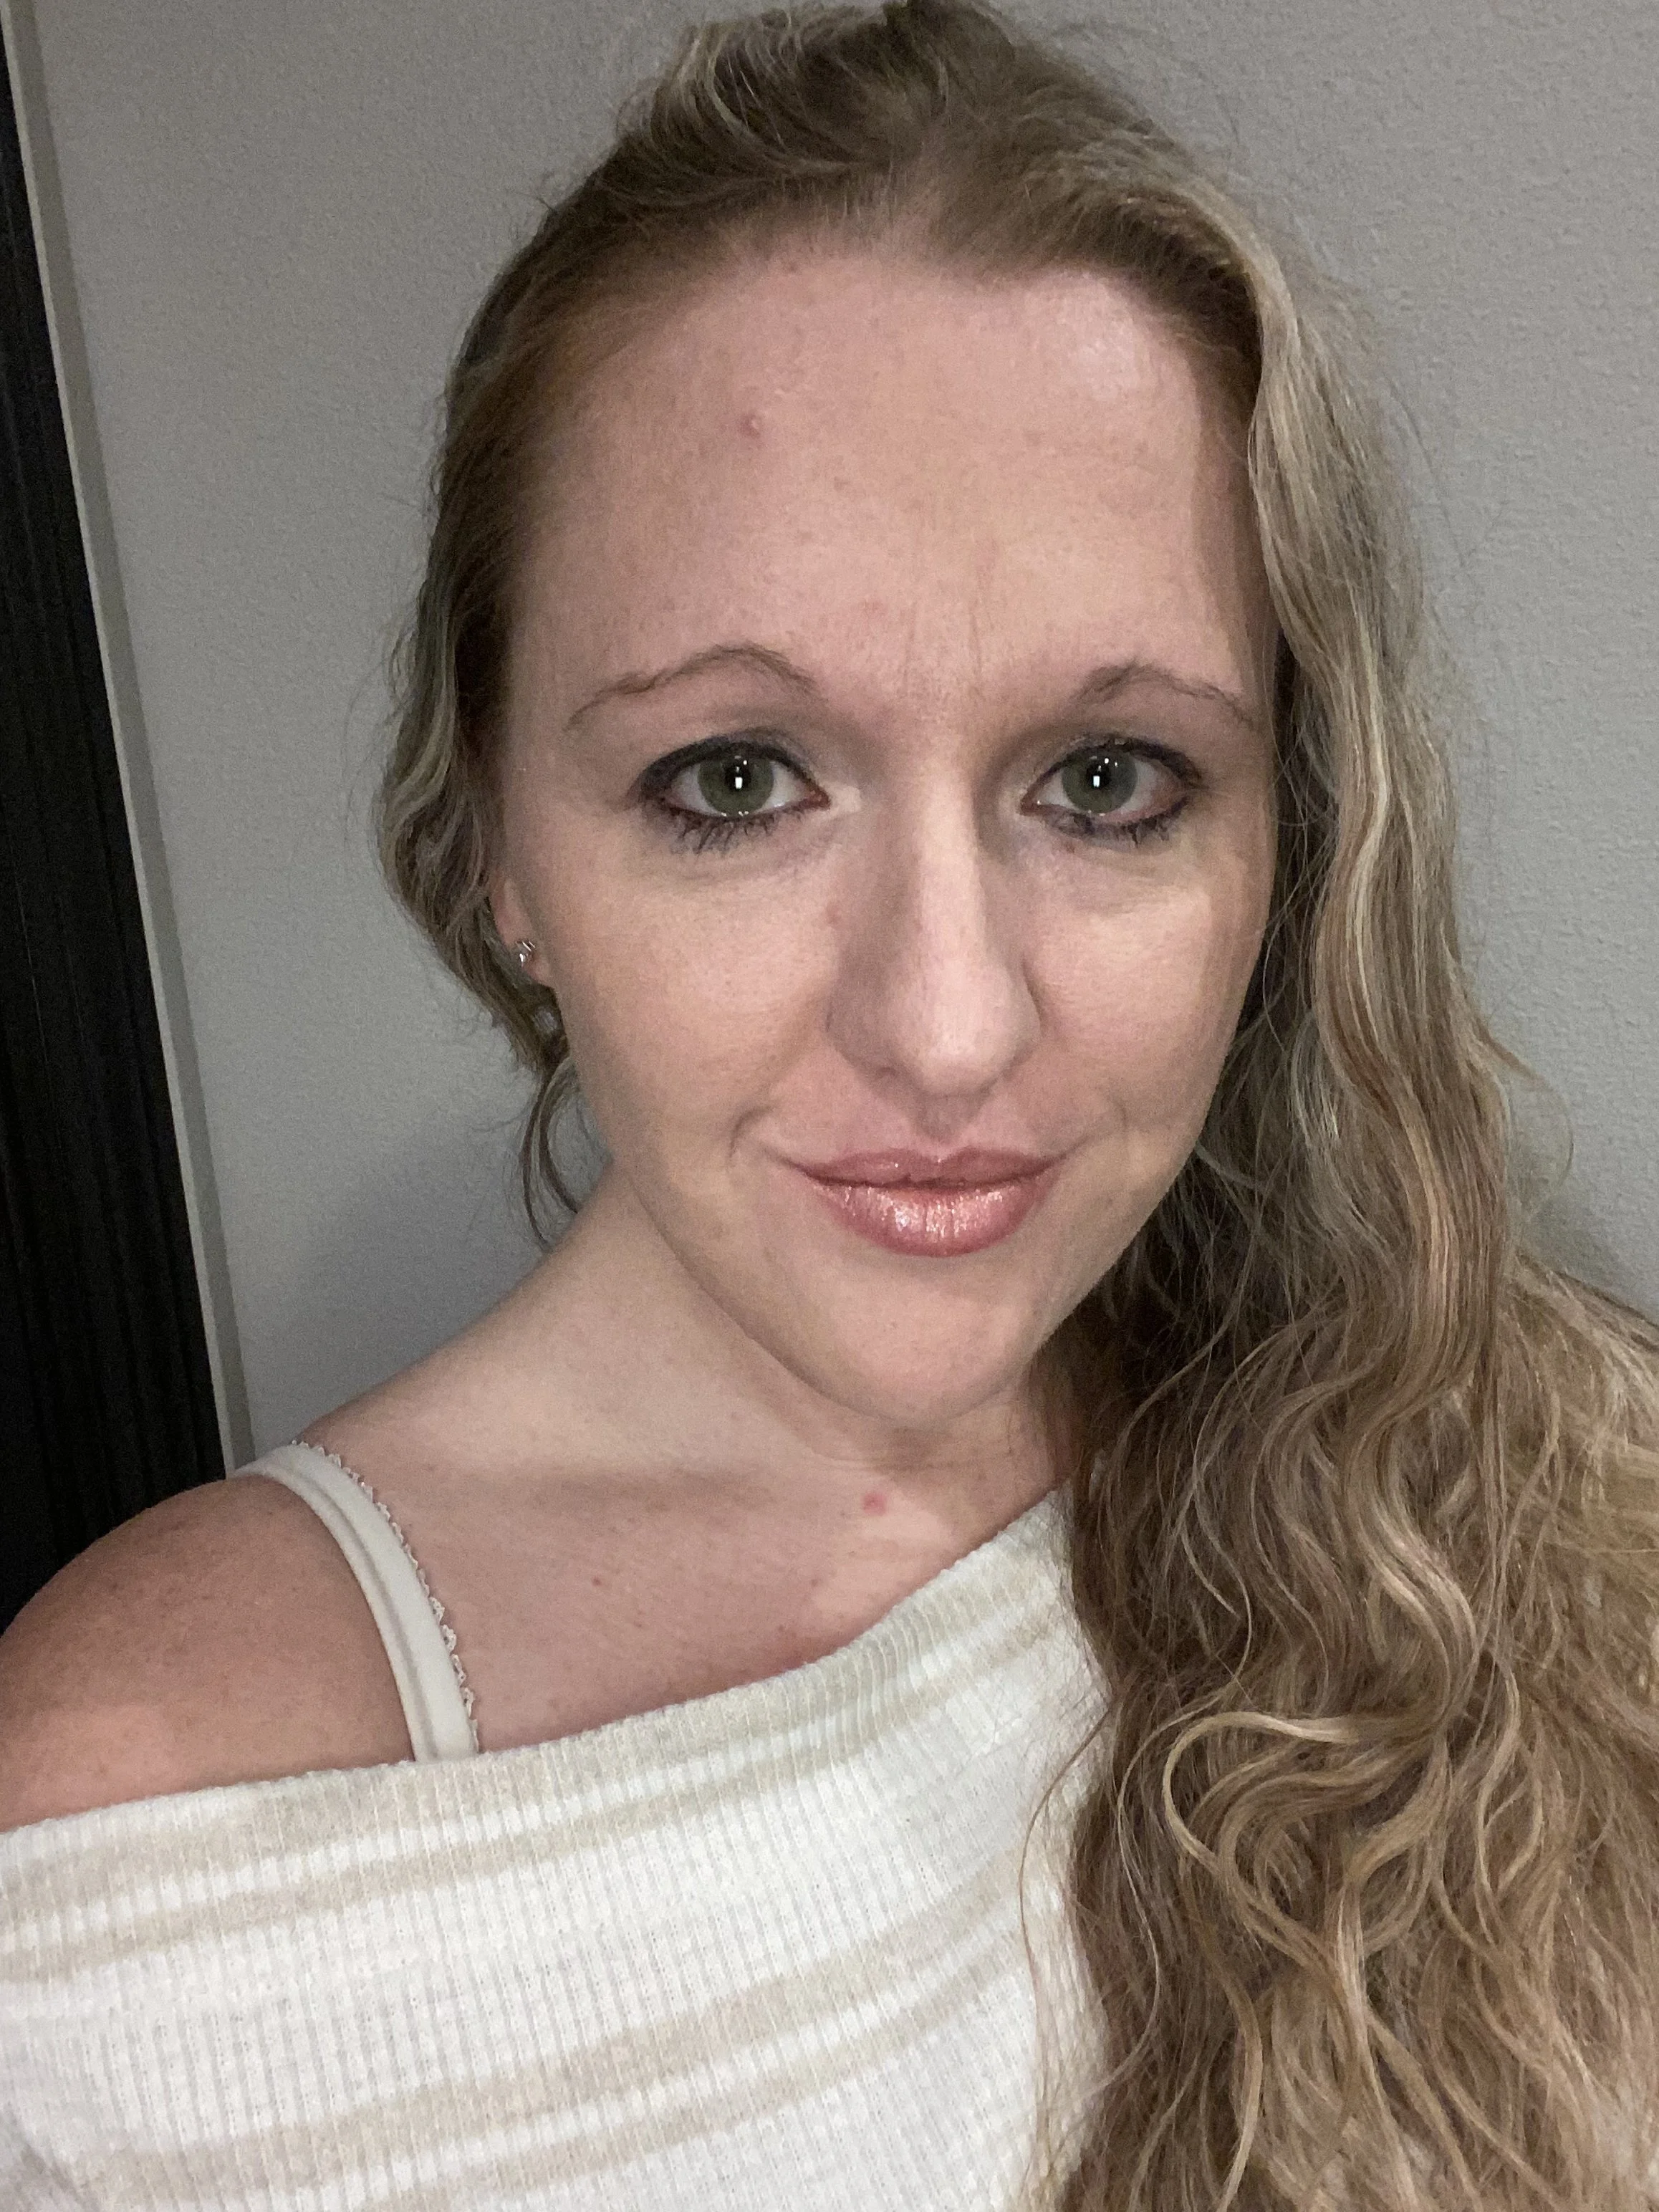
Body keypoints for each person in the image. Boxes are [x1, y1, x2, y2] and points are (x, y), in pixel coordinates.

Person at [3, 0, 1657, 2205]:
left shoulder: (1529, 1476)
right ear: (492, 833)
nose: (951, 1027)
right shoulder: (134, 1848)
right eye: (733, 779)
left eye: (1104, 779)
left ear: (1289, 842)